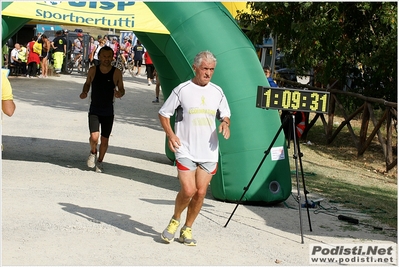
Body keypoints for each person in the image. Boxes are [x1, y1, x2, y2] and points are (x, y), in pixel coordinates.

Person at [158, 51, 231, 246]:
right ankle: (175, 219)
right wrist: (171, 135)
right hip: (185, 148)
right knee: (189, 190)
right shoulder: (182, 90)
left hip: (208, 150)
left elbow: (225, 114)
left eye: (211, 69)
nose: (208, 73)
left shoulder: (217, 91)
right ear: (195, 68)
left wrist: (225, 123)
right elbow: (164, 113)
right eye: (205, 69)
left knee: (200, 193)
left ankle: (187, 229)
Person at [79, 46, 125, 173]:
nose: (106, 59)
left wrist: (119, 93)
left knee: (104, 139)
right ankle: (93, 151)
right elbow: (87, 83)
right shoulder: (93, 70)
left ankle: (100, 162)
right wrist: (84, 92)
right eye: (104, 56)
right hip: (94, 109)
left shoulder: (116, 72)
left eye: (109, 56)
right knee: (94, 137)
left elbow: (122, 88)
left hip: (108, 111)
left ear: (112, 57)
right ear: (99, 57)